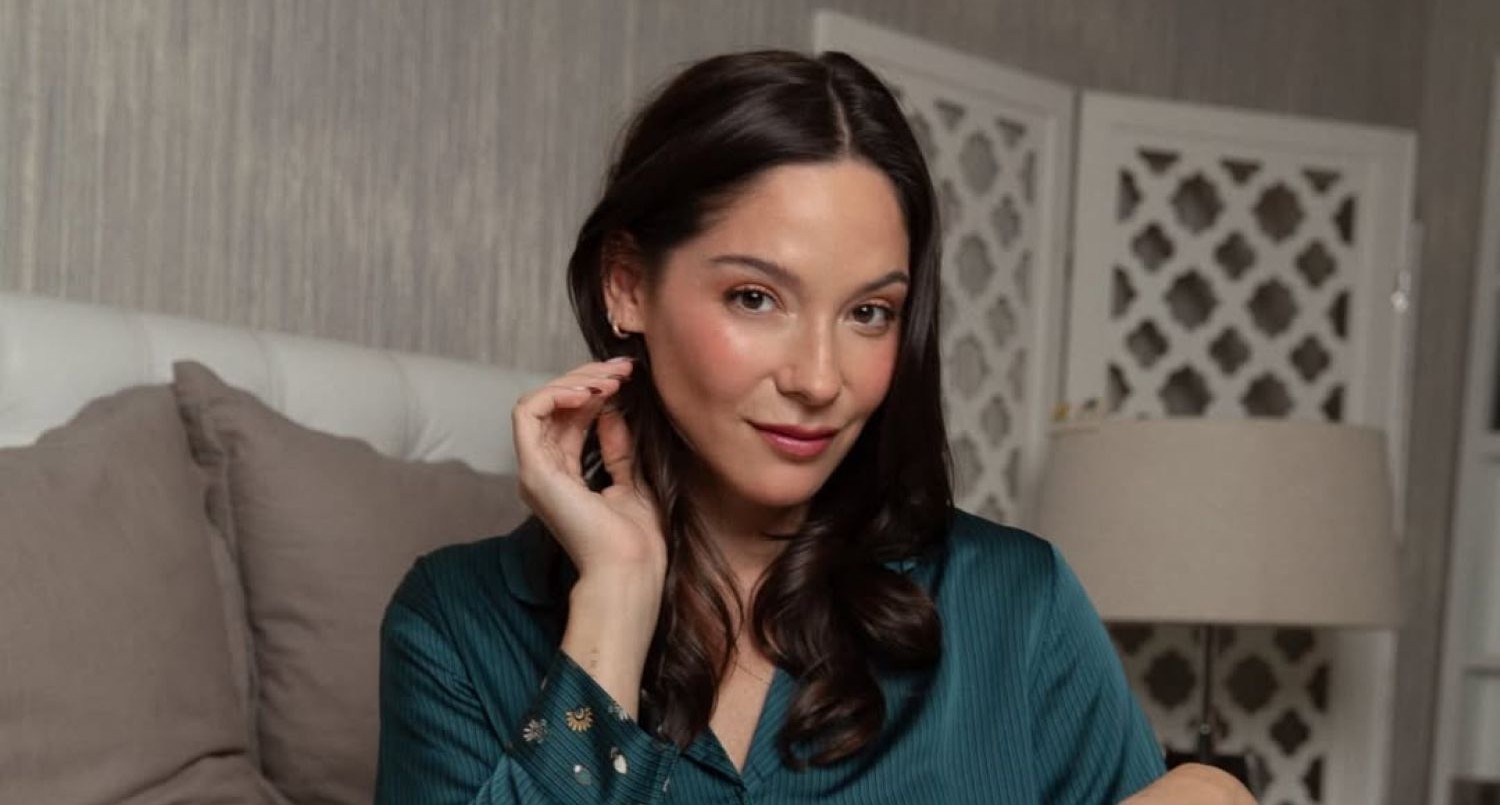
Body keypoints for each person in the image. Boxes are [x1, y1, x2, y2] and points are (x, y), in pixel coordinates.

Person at [375, 48, 1253, 805]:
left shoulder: (1019, 608)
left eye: (869, 312)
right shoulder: (456, 627)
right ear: (628, 286)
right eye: (756, 297)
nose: (820, 378)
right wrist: (616, 594)